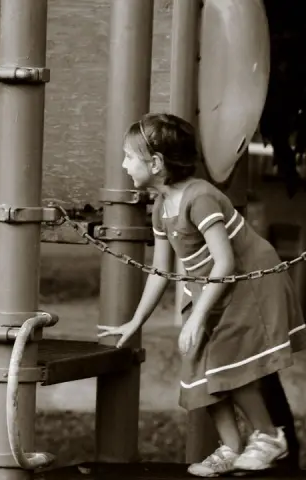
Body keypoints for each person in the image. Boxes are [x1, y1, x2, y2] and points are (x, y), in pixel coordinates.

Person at [98, 113, 306, 477]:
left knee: (227, 360)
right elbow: (160, 272)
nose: (123, 164)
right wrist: (135, 321)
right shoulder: (161, 208)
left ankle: (271, 437)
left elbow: (225, 262)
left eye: (129, 156)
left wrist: (195, 317)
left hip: (249, 283)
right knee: (197, 365)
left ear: (157, 163)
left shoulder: (200, 196)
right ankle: (232, 447)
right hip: (216, 288)